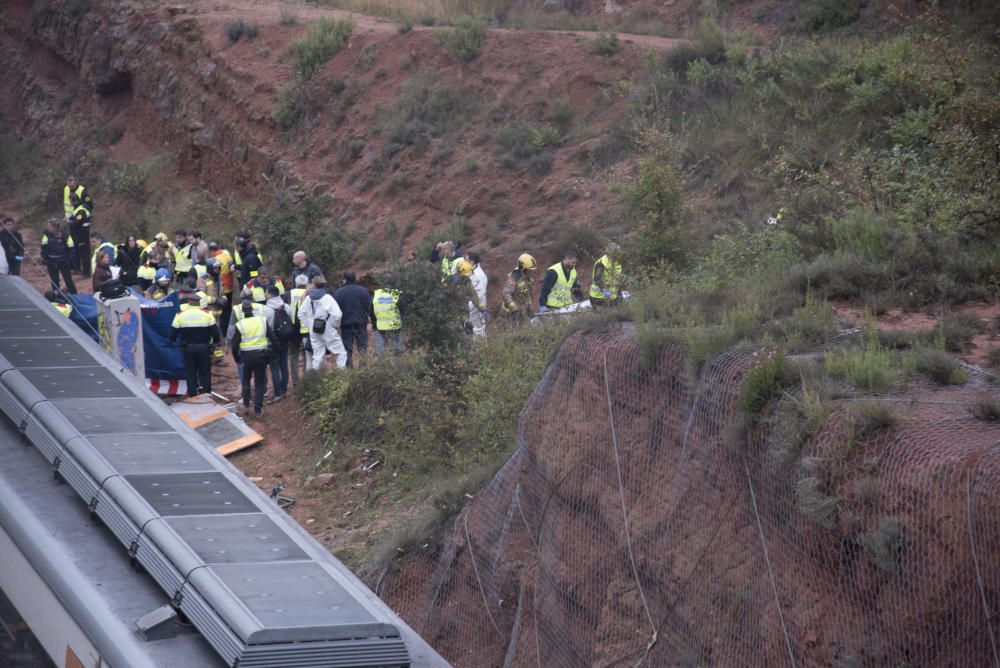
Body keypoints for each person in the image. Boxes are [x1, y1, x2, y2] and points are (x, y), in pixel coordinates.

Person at [231, 298, 277, 417]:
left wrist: (236, 358)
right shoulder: (262, 321)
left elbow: (234, 344)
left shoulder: (240, 324)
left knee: (246, 379)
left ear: (242, 311)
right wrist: (275, 352)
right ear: (252, 310)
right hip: (261, 355)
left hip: (247, 357)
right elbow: (272, 338)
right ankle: (257, 409)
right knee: (259, 382)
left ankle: (246, 404)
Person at [170, 291, 221, 397]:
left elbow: (172, 334)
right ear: (198, 303)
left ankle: (193, 395)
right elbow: (216, 333)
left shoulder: (180, 315)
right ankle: (206, 394)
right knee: (205, 372)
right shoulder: (207, 314)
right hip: (204, 347)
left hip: (188, 348)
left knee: (191, 372)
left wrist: (176, 343)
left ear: (189, 302)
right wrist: (215, 343)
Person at [298, 276, 347, 370]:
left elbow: (301, 314)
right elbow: (337, 315)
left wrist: (309, 324)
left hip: (313, 330)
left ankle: (316, 379)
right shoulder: (327, 298)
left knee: (317, 356)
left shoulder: (308, 298)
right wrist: (333, 325)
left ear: (313, 284)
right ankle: (342, 377)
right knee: (340, 353)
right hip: (327, 329)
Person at [333, 271, 371, 368]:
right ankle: (363, 372)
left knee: (347, 350)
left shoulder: (338, 292)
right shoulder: (364, 291)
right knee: (362, 349)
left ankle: (349, 372)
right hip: (361, 323)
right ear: (355, 279)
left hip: (345, 325)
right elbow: (369, 306)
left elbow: (335, 310)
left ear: (344, 280)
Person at [263, 285, 293, 403]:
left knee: (274, 367)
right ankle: (285, 389)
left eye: (266, 293)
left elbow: (265, 326)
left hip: (273, 341)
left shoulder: (266, 310)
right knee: (284, 364)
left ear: (270, 294)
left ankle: (277, 393)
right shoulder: (285, 306)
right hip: (285, 339)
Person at [40, 218, 77, 294]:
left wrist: (69, 260)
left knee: (68, 279)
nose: (48, 228)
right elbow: (43, 247)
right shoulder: (46, 234)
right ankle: (56, 294)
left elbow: (71, 247)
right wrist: (45, 258)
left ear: (55, 227)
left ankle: (74, 295)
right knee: (54, 280)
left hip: (63, 260)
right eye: (48, 226)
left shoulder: (65, 235)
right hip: (51, 261)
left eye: (50, 226)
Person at [208, 239, 235, 334]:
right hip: (229, 286)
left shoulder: (216, 260)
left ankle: (222, 331)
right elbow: (232, 267)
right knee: (228, 310)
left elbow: (217, 275)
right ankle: (227, 329)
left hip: (221, 288)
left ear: (211, 251)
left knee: (220, 312)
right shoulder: (227, 255)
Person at [500, 253, 537, 319]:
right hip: (508, 315)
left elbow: (526, 294)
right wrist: (514, 309)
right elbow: (505, 293)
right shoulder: (514, 278)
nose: (532, 272)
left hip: (520, 313)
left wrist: (530, 309)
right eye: (530, 270)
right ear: (524, 268)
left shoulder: (526, 279)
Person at [371, 282, 403, 358]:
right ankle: (398, 363)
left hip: (380, 326)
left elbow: (371, 311)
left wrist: (374, 324)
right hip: (395, 325)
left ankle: (380, 363)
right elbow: (403, 309)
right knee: (396, 346)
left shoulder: (376, 294)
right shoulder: (396, 294)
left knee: (380, 347)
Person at [288, 274, 310, 385]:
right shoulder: (309, 293)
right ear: (306, 284)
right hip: (306, 328)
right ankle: (306, 379)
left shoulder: (289, 294)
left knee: (293, 354)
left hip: (293, 328)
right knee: (307, 353)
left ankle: (296, 381)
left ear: (295, 283)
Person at [589, 243, 624, 308]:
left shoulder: (617, 262)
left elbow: (617, 279)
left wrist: (619, 293)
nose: (618, 255)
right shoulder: (601, 263)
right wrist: (605, 291)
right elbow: (597, 279)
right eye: (616, 253)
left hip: (613, 297)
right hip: (598, 298)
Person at [68, 195, 93, 276]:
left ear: (73, 201)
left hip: (82, 234)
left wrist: (69, 222)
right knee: (79, 251)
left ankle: (86, 272)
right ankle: (78, 269)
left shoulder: (81, 210)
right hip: (80, 233)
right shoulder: (79, 207)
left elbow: (77, 222)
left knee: (84, 253)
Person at [468, 252, 488, 338]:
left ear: (472, 261)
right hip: (472, 302)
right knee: (474, 326)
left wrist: (472, 305)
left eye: (467, 260)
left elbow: (480, 294)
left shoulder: (479, 275)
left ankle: (482, 348)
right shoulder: (470, 271)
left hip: (477, 304)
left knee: (478, 327)